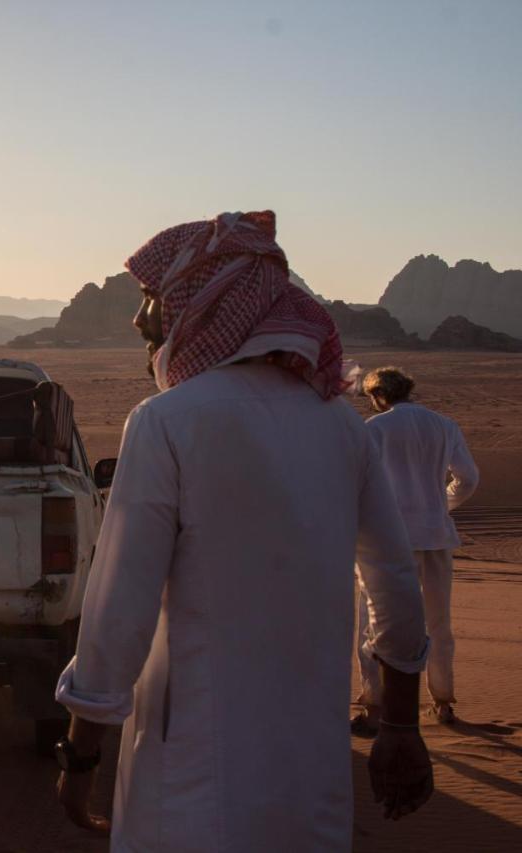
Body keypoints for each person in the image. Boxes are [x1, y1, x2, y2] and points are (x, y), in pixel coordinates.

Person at [53, 211, 433, 850]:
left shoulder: (165, 423)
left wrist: (82, 751)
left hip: (193, 771)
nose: (142, 321)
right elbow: (394, 583)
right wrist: (401, 725)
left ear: (206, 303)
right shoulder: (342, 427)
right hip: (310, 774)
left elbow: (121, 605)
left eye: (154, 299)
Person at [354, 367, 478, 731]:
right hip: (437, 536)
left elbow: (355, 483)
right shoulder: (444, 425)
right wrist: (441, 505)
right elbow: (468, 479)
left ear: (378, 396)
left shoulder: (373, 429)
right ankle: (443, 703)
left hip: (387, 540)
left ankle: (374, 707)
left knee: (373, 623)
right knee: (439, 623)